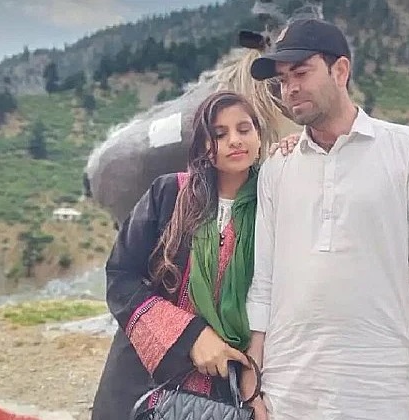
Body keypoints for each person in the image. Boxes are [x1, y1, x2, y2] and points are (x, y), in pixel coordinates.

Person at [241, 18, 409, 420]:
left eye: (301, 73)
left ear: (340, 71)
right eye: (283, 80)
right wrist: (253, 387)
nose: (290, 89)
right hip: (287, 395)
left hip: (381, 393)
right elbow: (263, 283)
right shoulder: (277, 169)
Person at [90, 90, 296, 419]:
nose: (234, 140)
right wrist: (191, 337)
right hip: (146, 382)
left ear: (259, 137)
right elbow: (121, 277)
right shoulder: (169, 195)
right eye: (220, 134)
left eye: (244, 129)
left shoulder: (272, 204)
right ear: (203, 146)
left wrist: (297, 151)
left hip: (229, 389)